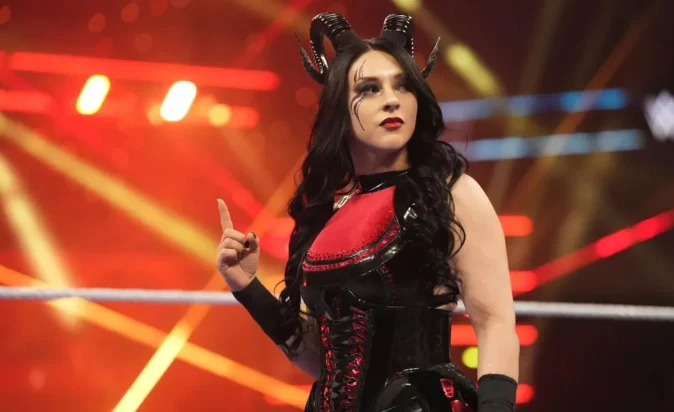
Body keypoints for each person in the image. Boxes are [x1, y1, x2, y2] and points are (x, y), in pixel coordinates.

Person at [216, 12, 519, 412]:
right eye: (370, 88)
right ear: (339, 107)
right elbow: (323, 362)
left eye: (403, 85)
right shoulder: (330, 209)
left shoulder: (451, 193)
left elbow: (496, 323)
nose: (392, 99)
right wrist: (248, 289)